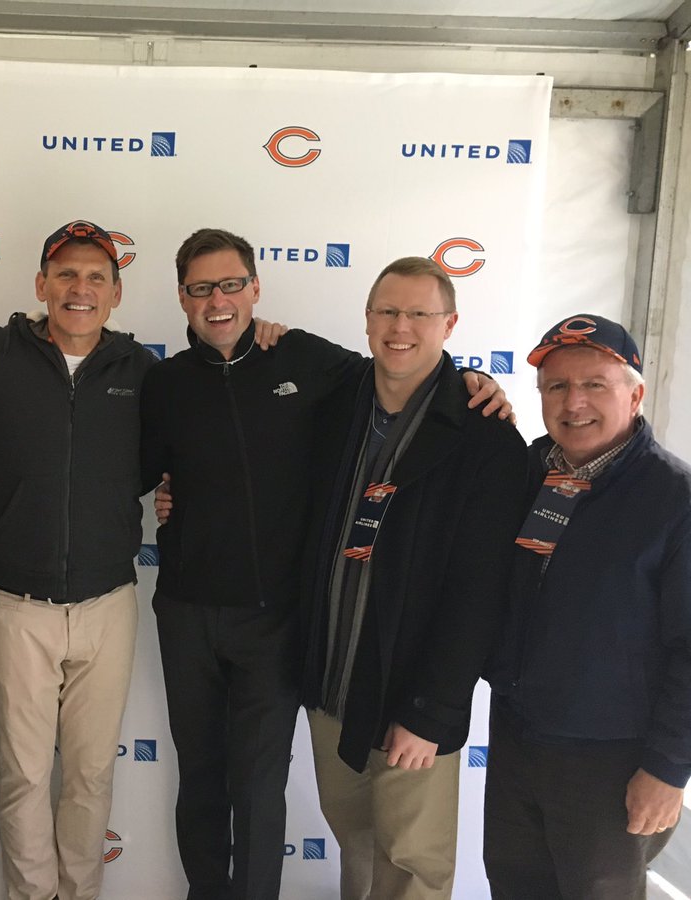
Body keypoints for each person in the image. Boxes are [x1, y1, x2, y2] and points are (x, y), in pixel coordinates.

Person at [143, 231, 508, 900]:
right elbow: (136, 470)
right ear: (182, 297)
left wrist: (473, 383)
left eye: (231, 285)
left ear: (256, 289)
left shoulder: (310, 361)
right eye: (201, 288)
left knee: (259, 788)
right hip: (194, 614)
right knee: (202, 777)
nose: (217, 300)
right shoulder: (163, 381)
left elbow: (414, 375)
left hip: (278, 622)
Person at [299, 257, 527, 900]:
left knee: (413, 865)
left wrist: (434, 710)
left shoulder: (487, 440)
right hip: (332, 682)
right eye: (387, 312)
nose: (401, 327)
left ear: (449, 324)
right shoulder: (334, 405)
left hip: (413, 697)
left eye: (418, 314)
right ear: (367, 320)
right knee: (359, 849)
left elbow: (480, 594)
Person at [0, 220, 155, 900]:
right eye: (66, 274)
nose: (80, 288)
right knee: (24, 777)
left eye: (96, 277)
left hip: (108, 604)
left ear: (116, 293)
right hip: (18, 605)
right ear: (41, 285)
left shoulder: (143, 372)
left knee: (92, 775)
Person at [483, 314, 691, 900]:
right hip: (519, 739)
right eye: (556, 385)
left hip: (612, 761)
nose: (574, 402)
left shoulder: (675, 500)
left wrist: (668, 769)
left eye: (595, 383)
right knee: (516, 888)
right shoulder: (530, 470)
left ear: (636, 392)